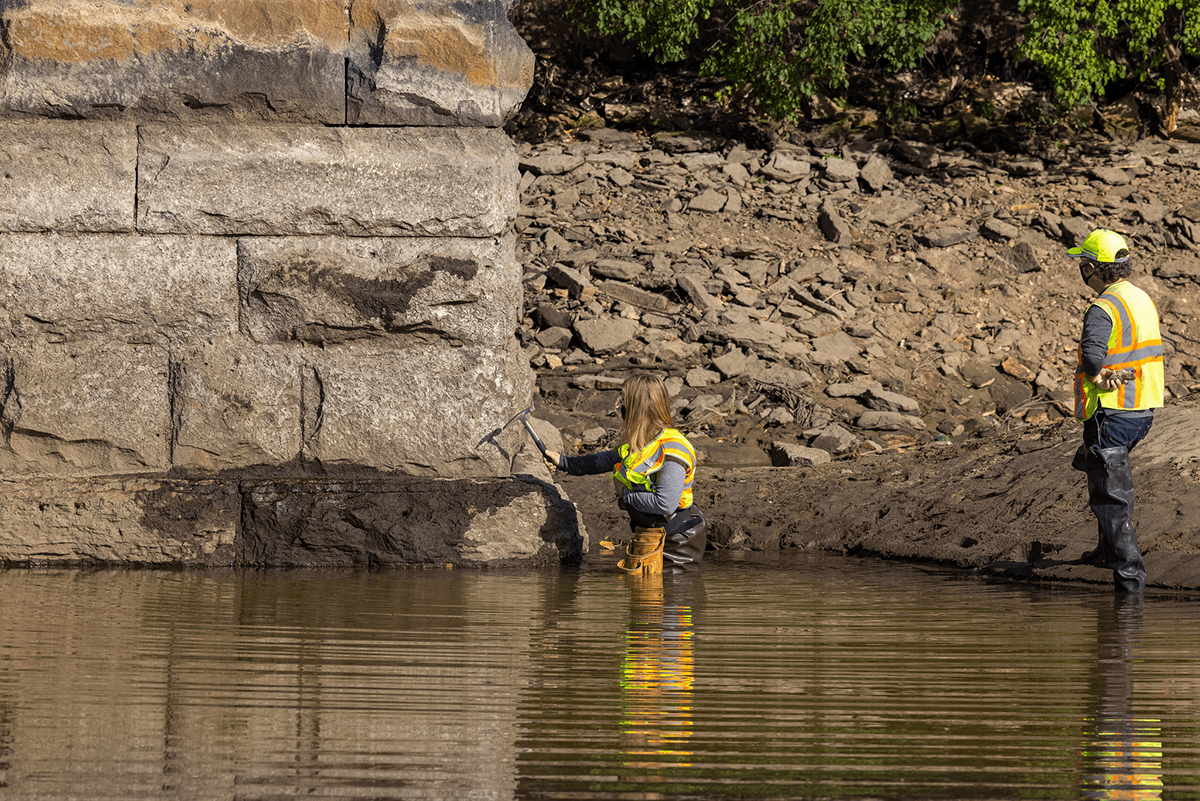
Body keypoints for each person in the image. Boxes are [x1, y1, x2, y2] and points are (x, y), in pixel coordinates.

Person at [1067, 229, 1165, 594]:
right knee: (1101, 474)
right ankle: (1105, 551)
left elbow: (1093, 355)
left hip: (1111, 412)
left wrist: (1098, 374)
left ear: (1092, 267)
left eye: (1083, 264)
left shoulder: (1103, 306)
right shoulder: (1139, 297)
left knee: (1111, 494)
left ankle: (1130, 577)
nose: (1082, 269)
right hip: (1143, 410)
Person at [544, 374, 706, 574]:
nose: (620, 407)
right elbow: (602, 461)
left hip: (678, 538)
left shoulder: (672, 450)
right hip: (653, 532)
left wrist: (626, 496)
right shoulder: (641, 442)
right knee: (644, 599)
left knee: (673, 599)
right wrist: (564, 462)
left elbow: (666, 503)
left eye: (624, 401)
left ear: (638, 408)